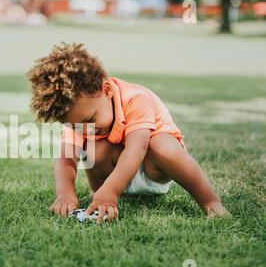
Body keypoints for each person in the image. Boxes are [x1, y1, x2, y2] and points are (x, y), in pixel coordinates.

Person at [26, 42, 231, 223]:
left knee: (160, 143)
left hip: (152, 170)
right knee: (94, 146)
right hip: (110, 175)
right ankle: (101, 195)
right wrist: (65, 193)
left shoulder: (136, 97)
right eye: (76, 125)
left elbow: (137, 148)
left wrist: (112, 190)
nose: (86, 128)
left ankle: (210, 202)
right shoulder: (79, 118)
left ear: (106, 91)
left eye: (90, 120)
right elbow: (65, 158)